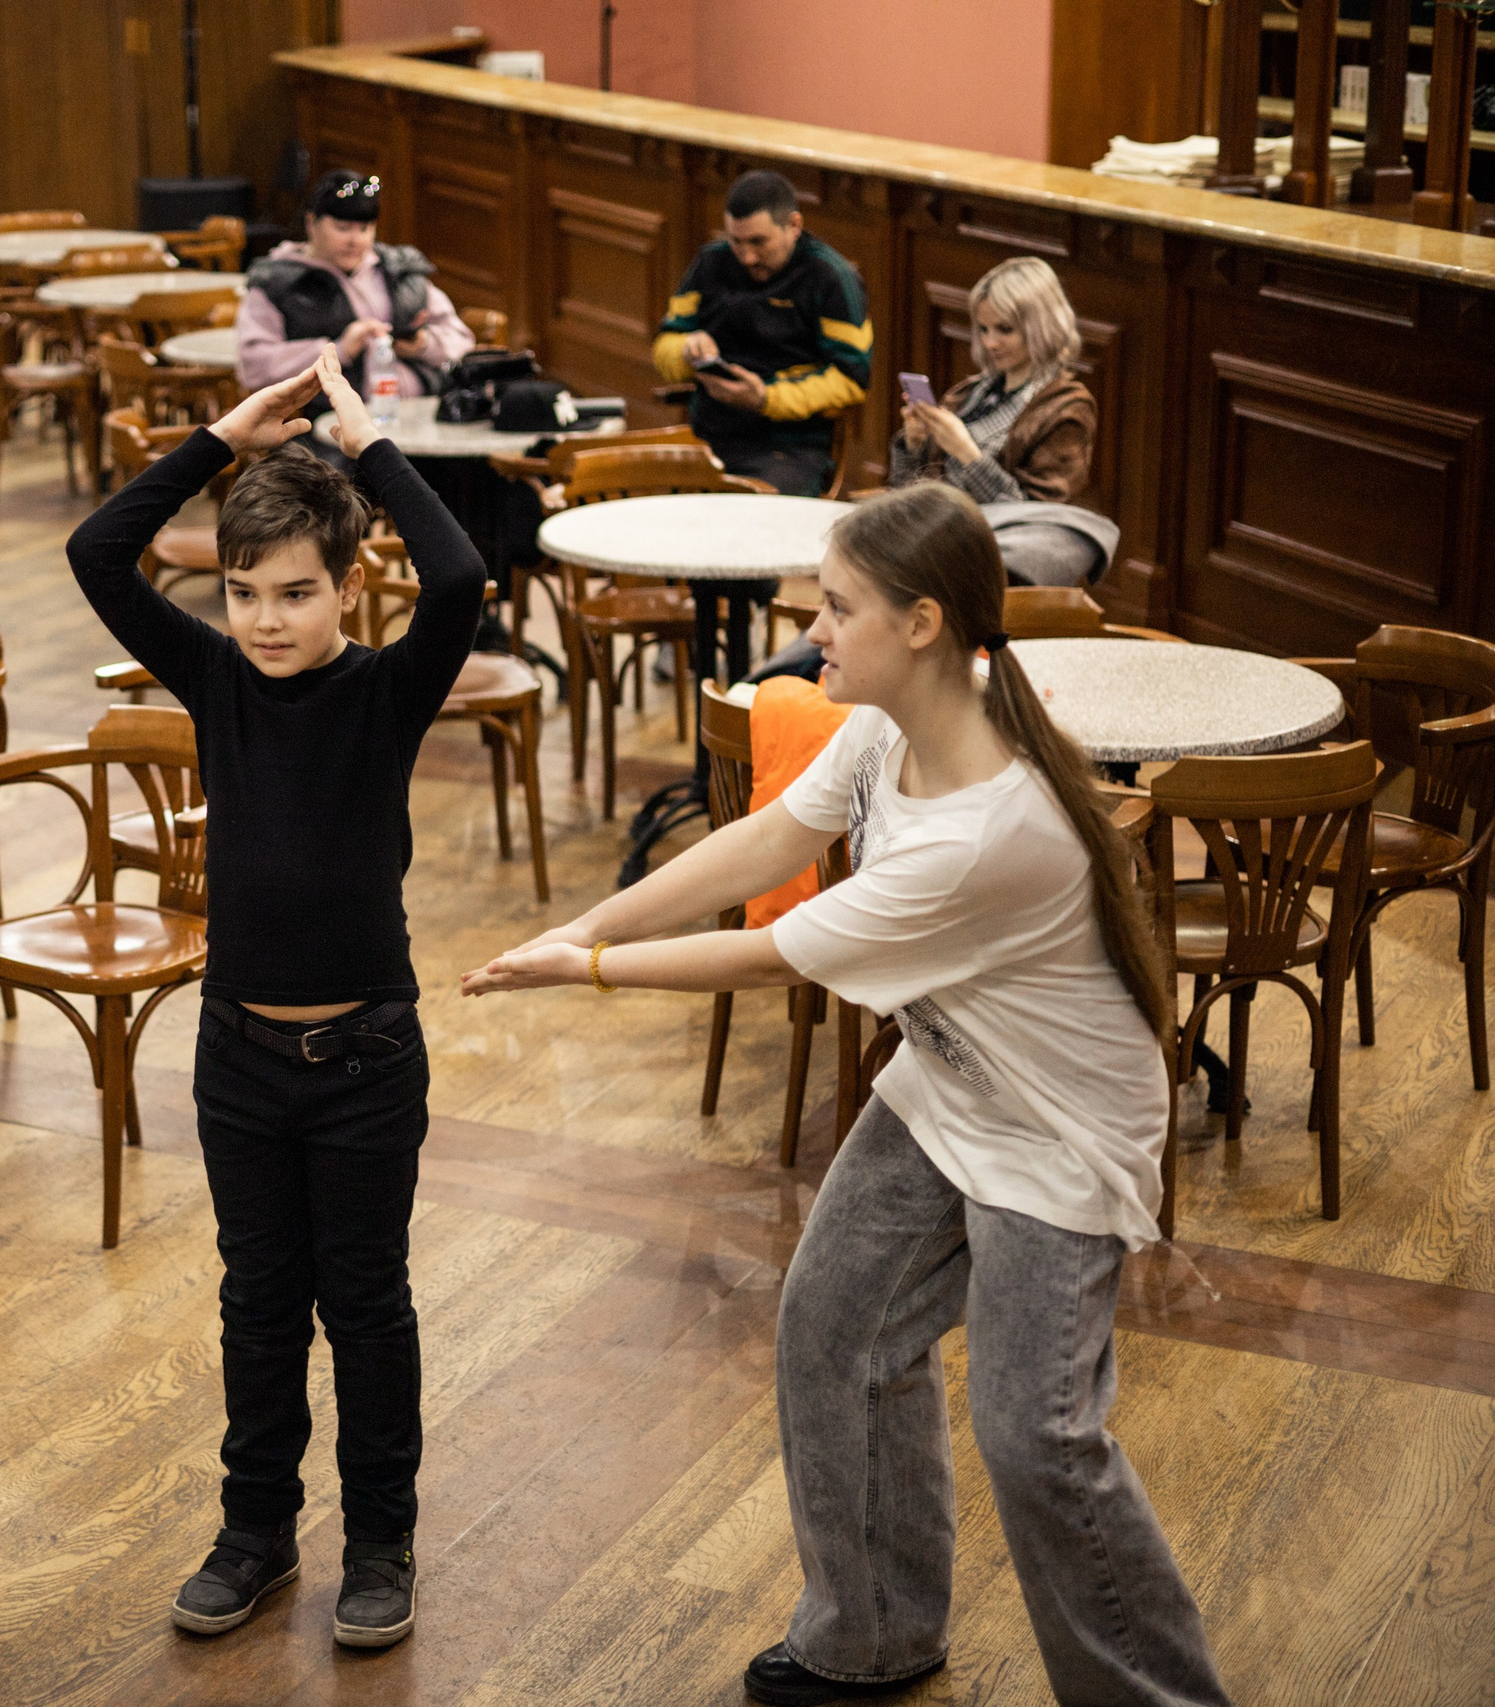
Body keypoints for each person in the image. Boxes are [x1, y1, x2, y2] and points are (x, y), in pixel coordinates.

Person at [461, 484, 1230, 1707]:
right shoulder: (890, 730)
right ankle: (869, 1636)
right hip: (946, 1087)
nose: (813, 629)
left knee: (1039, 1445)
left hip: (1055, 1141)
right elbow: (765, 841)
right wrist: (588, 921)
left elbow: (772, 949)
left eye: (837, 607)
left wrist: (587, 969)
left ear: (922, 623)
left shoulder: (982, 833)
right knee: (834, 1331)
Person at [63, 347, 481, 1651]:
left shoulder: (386, 689)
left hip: (363, 1059)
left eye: (296, 592)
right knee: (256, 1301)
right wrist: (218, 442)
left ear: (350, 585)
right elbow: (95, 553)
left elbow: (462, 576)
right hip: (239, 1059)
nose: (265, 617)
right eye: (245, 591)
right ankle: (254, 1532)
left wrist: (369, 449)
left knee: (364, 1305)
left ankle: (380, 1540)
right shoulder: (219, 678)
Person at [891, 255, 1113, 589]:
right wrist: (914, 444)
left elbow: (1039, 524)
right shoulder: (969, 394)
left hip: (986, 570)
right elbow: (905, 491)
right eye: (983, 329)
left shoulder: (1067, 408)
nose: (990, 342)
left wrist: (968, 455)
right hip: (928, 546)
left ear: (1040, 326)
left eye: (1004, 329)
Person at [652, 169, 873, 497]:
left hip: (790, 447)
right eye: (736, 241)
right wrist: (686, 349)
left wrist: (766, 398)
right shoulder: (711, 262)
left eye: (758, 242)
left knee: (748, 514)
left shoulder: (830, 277)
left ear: (794, 226)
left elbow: (852, 380)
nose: (747, 257)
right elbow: (664, 345)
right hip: (708, 436)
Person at [236, 170, 473, 406]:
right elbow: (253, 365)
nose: (355, 240)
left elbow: (462, 341)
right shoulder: (277, 281)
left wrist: (422, 344)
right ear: (311, 223)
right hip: (326, 424)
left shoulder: (399, 271)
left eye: (365, 229)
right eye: (342, 228)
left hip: (420, 411)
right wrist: (338, 351)